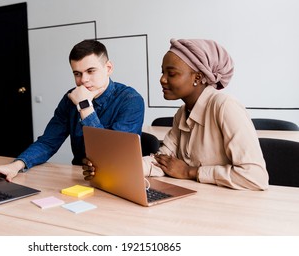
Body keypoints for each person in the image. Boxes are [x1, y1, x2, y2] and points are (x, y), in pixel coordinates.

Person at [83, 38, 269, 190]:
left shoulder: (225, 107)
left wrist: (191, 172)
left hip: (231, 212)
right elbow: (162, 161)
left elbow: (255, 177)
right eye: (162, 72)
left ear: (197, 77)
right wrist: (109, 168)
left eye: (171, 74)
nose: (162, 79)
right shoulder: (182, 113)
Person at [0, 39, 144, 181]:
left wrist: (85, 106)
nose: (83, 80)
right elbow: (48, 142)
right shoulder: (70, 99)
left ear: (108, 68)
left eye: (90, 71)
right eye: (77, 73)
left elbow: (111, 155)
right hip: (80, 179)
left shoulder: (131, 101)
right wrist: (15, 165)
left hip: (118, 181)